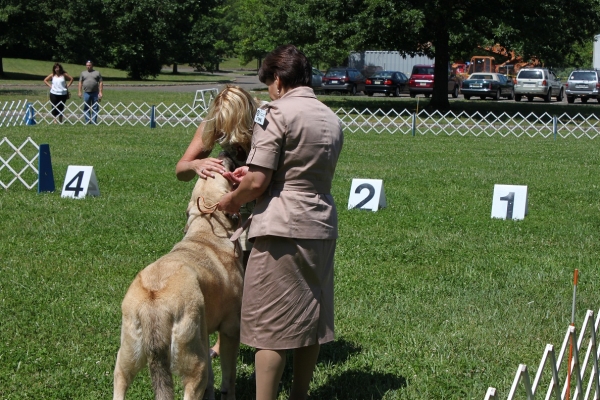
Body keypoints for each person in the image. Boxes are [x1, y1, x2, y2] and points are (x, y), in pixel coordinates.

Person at [218, 44, 344, 400]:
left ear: (277, 80)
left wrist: (230, 201)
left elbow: (258, 183)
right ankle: (299, 395)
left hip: (281, 228)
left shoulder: (273, 112)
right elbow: (297, 169)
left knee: (268, 329)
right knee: (310, 321)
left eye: (267, 83)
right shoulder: (331, 118)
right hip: (320, 223)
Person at [176, 84, 260, 359]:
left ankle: (260, 335)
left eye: (232, 128)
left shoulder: (265, 125)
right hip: (220, 213)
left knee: (251, 273)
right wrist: (194, 165)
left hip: (257, 205)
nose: (227, 137)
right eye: (222, 129)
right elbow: (181, 171)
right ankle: (225, 340)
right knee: (226, 276)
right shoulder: (210, 125)